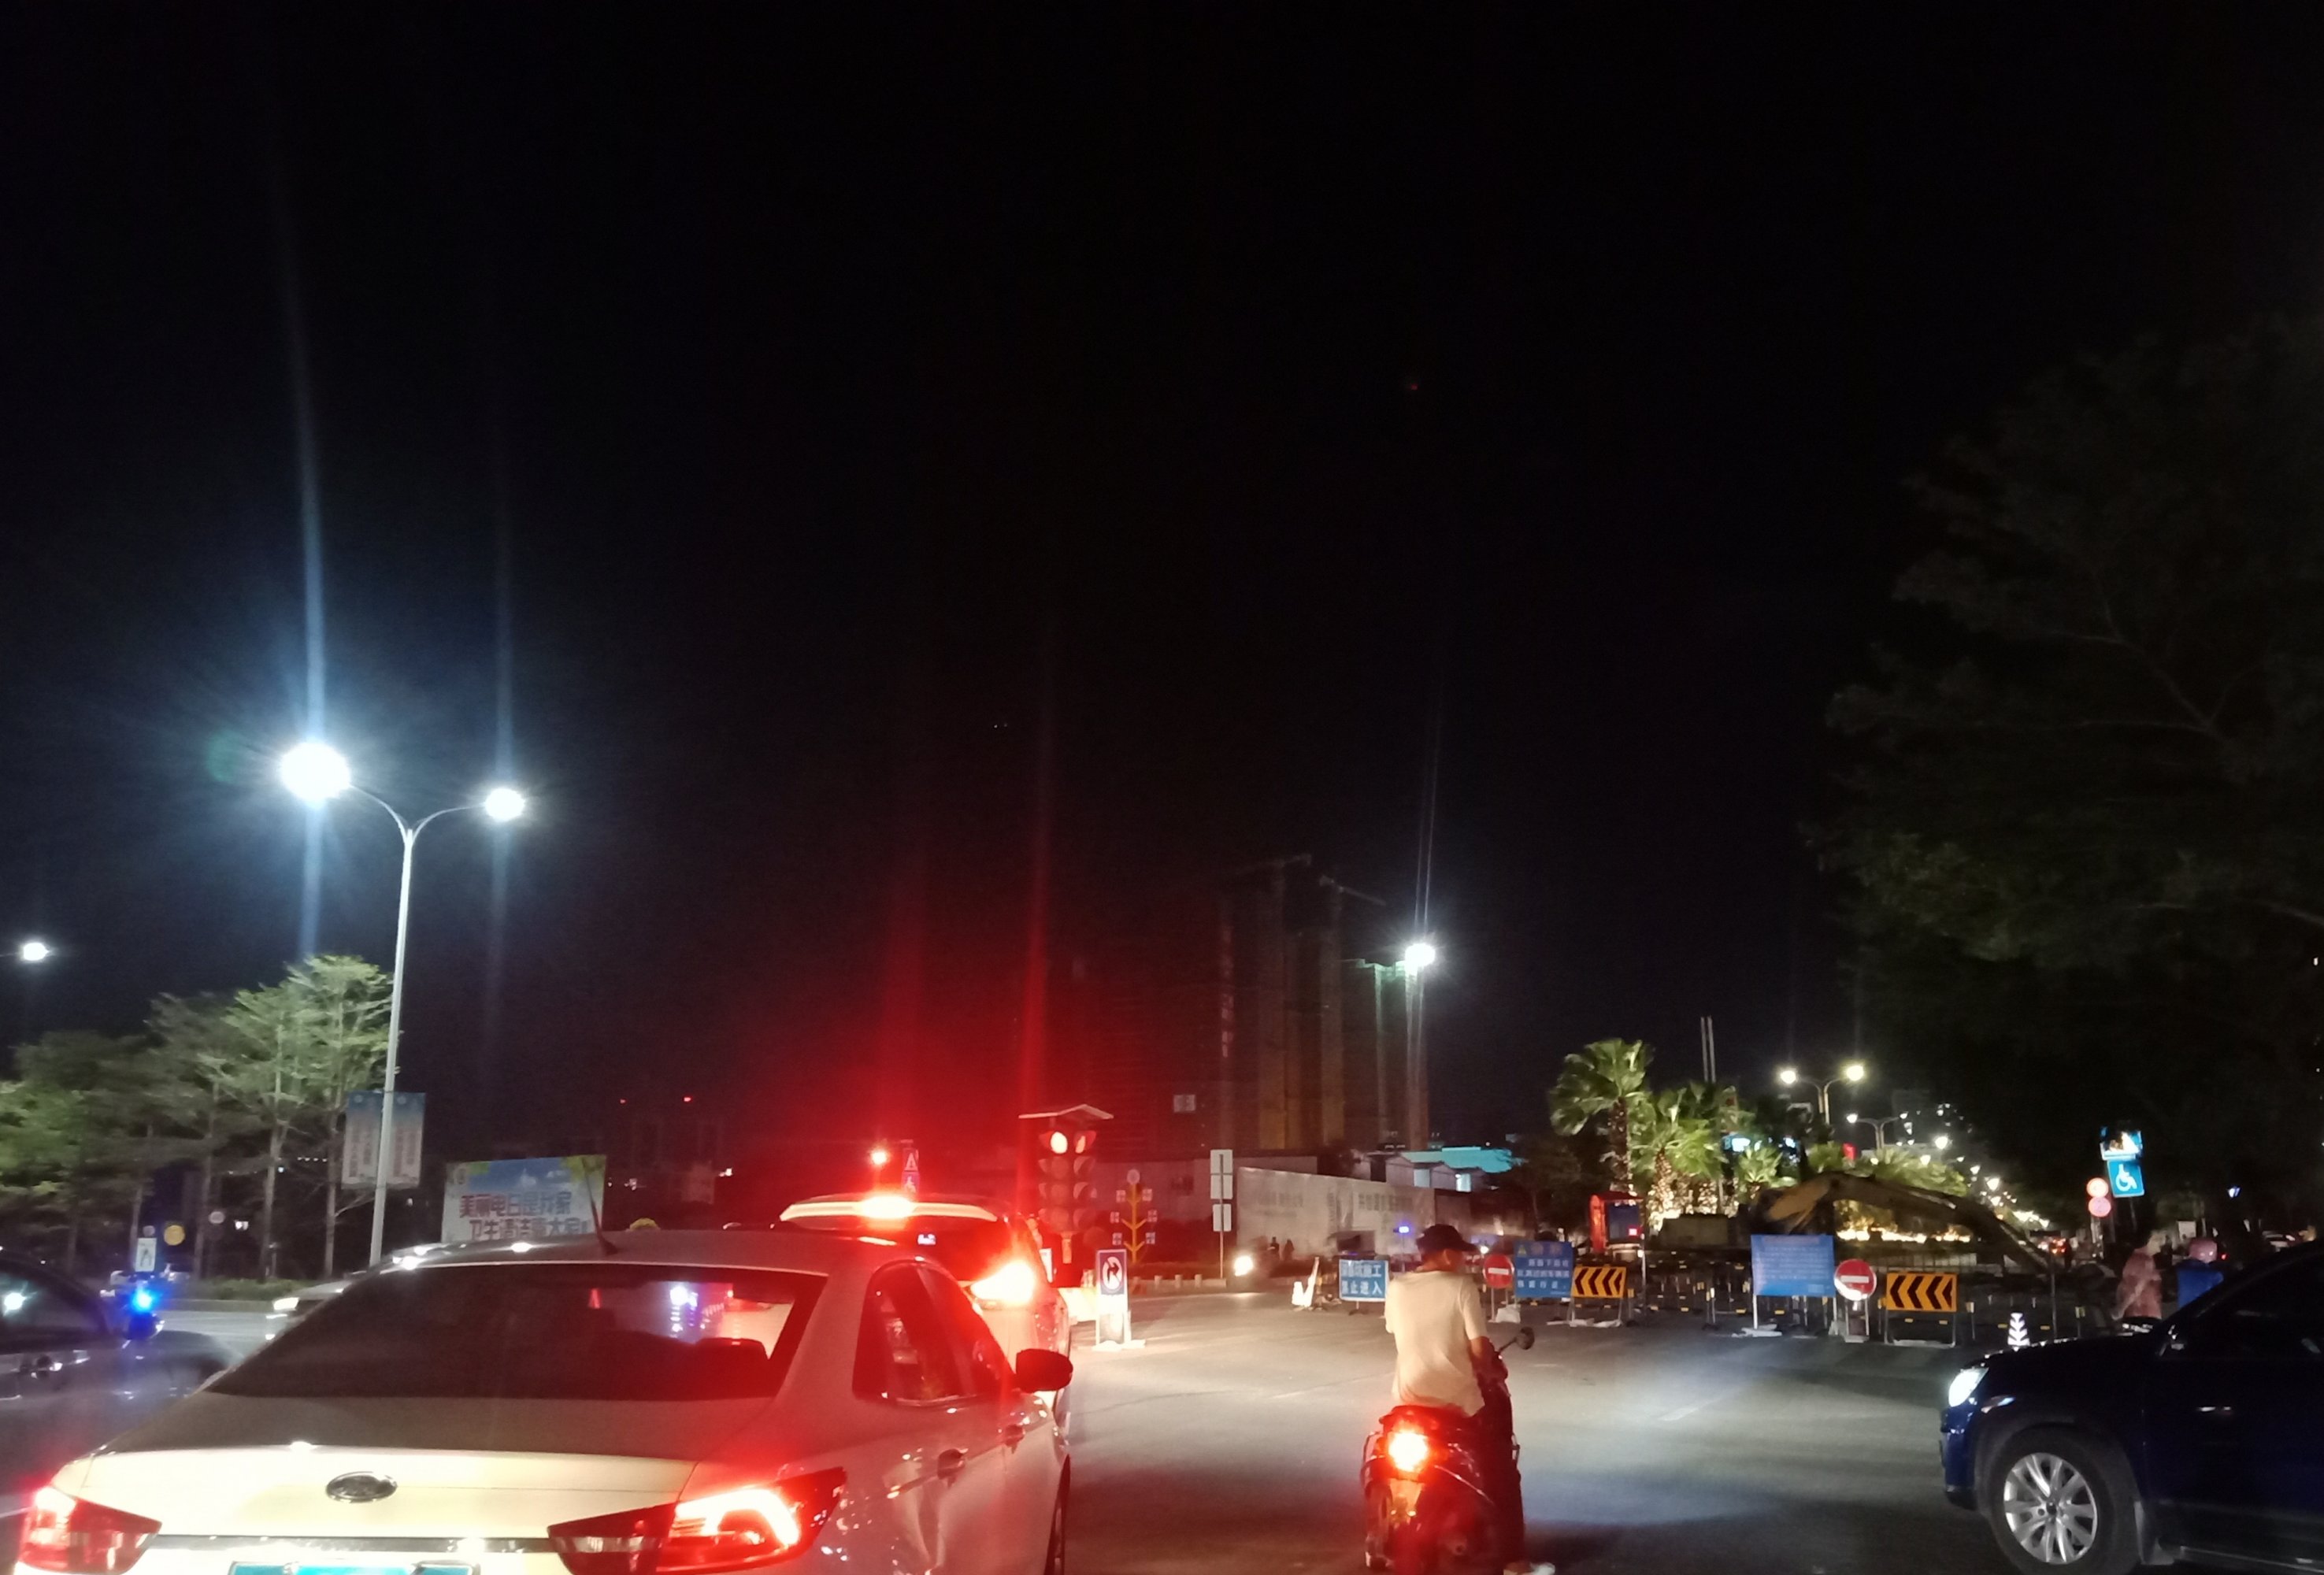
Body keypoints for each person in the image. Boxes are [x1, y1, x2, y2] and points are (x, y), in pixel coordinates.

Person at [1382, 1223, 1550, 1575]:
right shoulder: (1460, 1286)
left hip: (1407, 1402)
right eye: (1459, 1253)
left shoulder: (1397, 1287)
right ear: (1446, 1255)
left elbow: (1397, 1331)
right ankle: (1515, 1563)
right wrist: (1492, 1370)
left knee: (1381, 1460)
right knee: (1503, 1477)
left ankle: (1384, 1539)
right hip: (1455, 1405)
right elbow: (1479, 1349)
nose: (1463, 1260)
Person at [2115, 1229, 2164, 1321]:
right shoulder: (2144, 1261)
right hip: (2145, 1313)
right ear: (2148, 1241)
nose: (2161, 1243)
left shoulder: (2137, 1258)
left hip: (2138, 1312)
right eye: (2157, 1240)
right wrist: (2121, 1308)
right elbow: (2135, 1288)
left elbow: (2123, 1285)